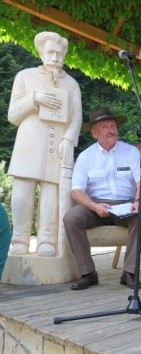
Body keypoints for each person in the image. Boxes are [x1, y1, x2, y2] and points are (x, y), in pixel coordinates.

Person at [7, 31, 82, 256]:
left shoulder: (71, 83)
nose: (55, 58)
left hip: (56, 145)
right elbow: (13, 114)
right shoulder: (25, 76)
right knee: (22, 194)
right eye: (50, 52)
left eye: (59, 53)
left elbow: (76, 116)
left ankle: (46, 240)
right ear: (41, 52)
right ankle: (19, 239)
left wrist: (69, 138)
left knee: (52, 195)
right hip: (29, 144)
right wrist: (34, 98)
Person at [63, 107, 141, 290]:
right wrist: (94, 206)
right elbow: (77, 191)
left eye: (113, 125)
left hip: (125, 204)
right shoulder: (86, 157)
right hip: (95, 204)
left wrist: (137, 202)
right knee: (71, 218)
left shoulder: (131, 152)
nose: (111, 130)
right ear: (94, 133)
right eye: (105, 127)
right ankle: (88, 273)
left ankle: (129, 272)